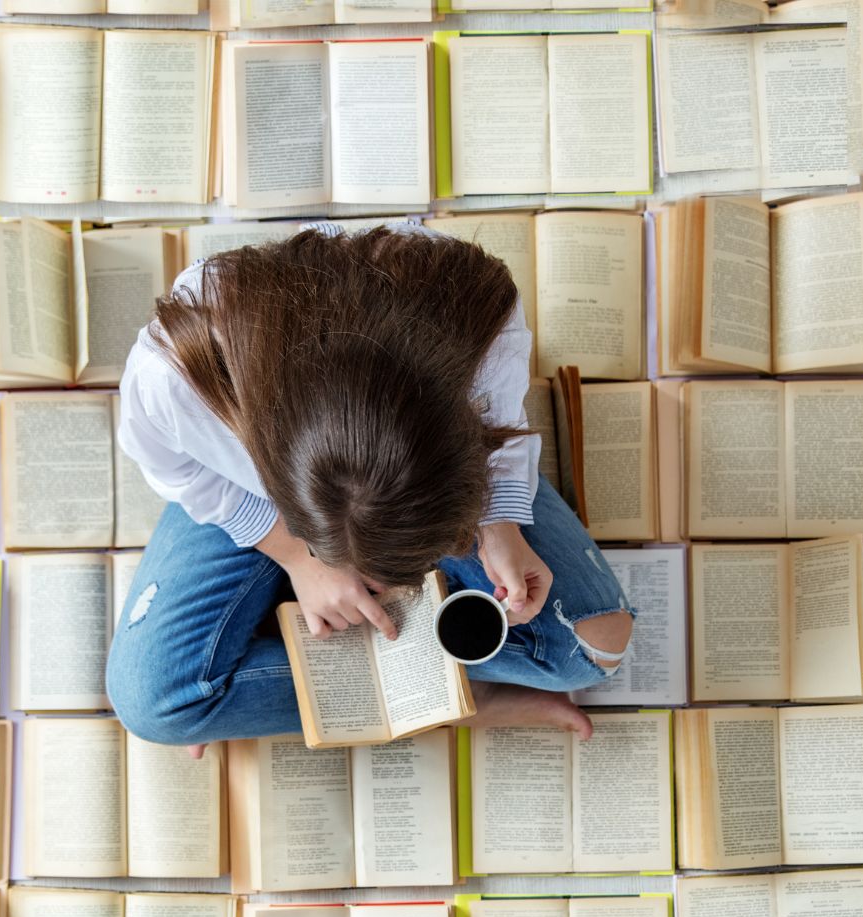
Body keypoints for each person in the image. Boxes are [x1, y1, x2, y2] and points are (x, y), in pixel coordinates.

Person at [107, 221, 634, 759]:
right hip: (251, 503)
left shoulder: (475, 315)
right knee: (157, 704)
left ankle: (433, 692)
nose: (381, 585)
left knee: (590, 649)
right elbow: (177, 469)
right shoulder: (172, 374)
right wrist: (296, 557)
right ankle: (451, 694)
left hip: (416, 468)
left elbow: (497, 421)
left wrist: (498, 520)